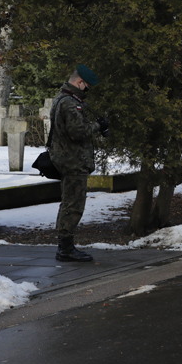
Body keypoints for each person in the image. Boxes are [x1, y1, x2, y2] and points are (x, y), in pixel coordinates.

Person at [49, 64, 109, 262]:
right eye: (87, 86)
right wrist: (98, 125)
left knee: (69, 202)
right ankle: (65, 249)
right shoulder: (69, 103)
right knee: (73, 204)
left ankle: (65, 247)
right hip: (73, 161)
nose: (87, 90)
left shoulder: (62, 98)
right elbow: (78, 132)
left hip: (68, 159)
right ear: (80, 82)